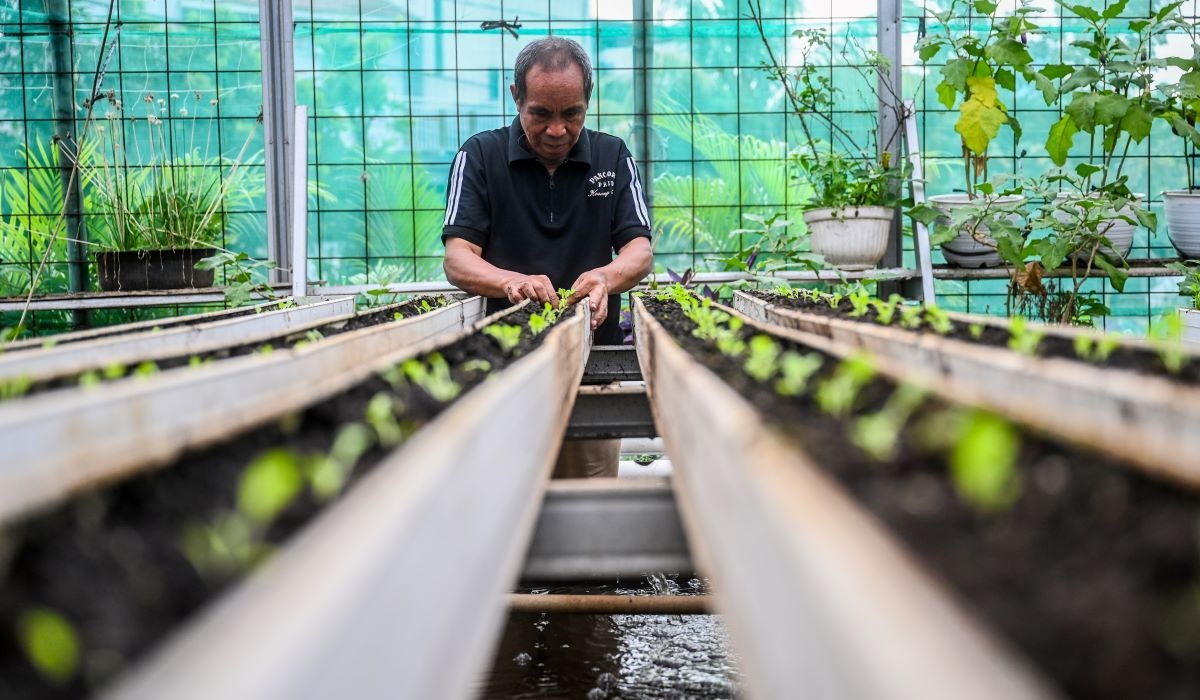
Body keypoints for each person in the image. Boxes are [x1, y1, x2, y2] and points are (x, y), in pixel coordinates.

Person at [442, 36, 653, 478]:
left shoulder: (612, 156)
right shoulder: (480, 156)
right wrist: (509, 282)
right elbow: (459, 257)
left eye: (571, 114)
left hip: (592, 372)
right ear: (516, 96)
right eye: (541, 113)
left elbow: (639, 251)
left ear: (587, 103)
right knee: (508, 499)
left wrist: (604, 278)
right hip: (506, 371)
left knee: (590, 504)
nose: (557, 130)